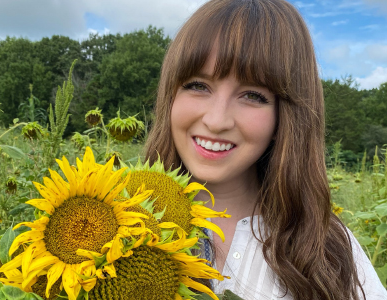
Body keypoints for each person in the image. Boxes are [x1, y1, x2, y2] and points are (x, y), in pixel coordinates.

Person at [144, 0, 387, 299]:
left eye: (253, 95)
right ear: (170, 94)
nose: (216, 120)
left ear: (284, 116)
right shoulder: (109, 217)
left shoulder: (331, 251)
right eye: (198, 85)